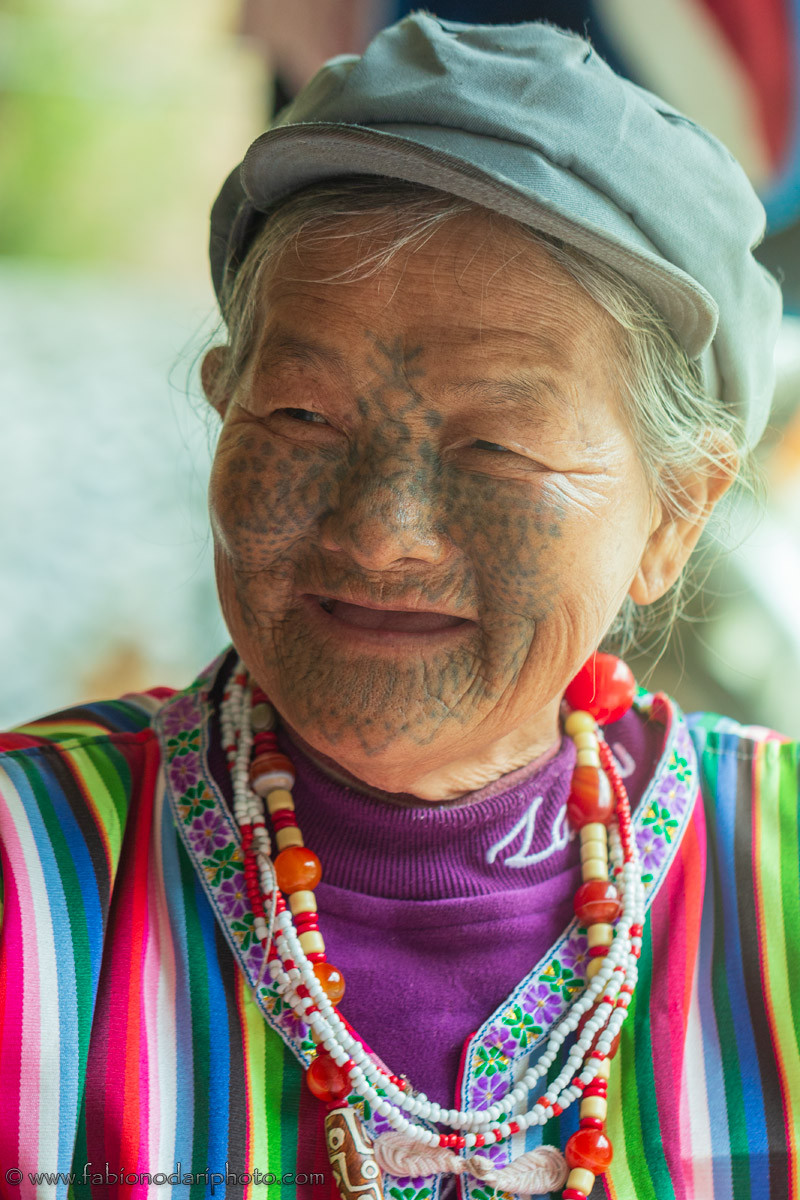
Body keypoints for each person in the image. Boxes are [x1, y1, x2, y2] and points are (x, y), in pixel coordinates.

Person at [0, 15, 795, 1200]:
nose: (380, 531)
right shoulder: (28, 875)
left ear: (676, 512)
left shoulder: (774, 880)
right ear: (225, 410)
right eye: (302, 420)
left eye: (496, 444)